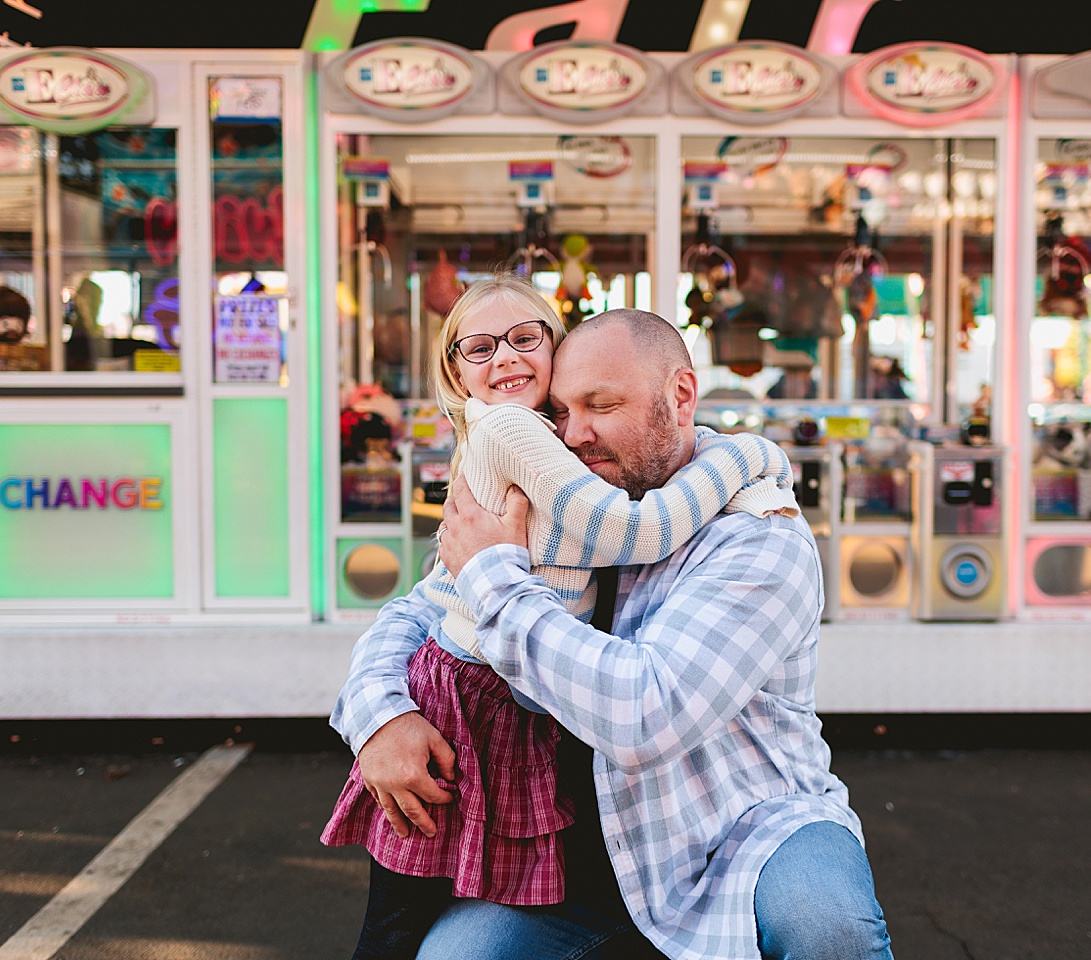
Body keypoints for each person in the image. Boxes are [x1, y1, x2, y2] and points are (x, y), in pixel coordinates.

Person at [333, 305, 893, 960]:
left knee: (827, 929)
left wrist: (494, 577)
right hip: (591, 851)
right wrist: (380, 717)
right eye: (562, 412)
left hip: (749, 826)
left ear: (680, 396)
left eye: (601, 405)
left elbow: (646, 715)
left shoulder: (757, 531)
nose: (575, 436)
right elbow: (419, 609)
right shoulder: (572, 502)